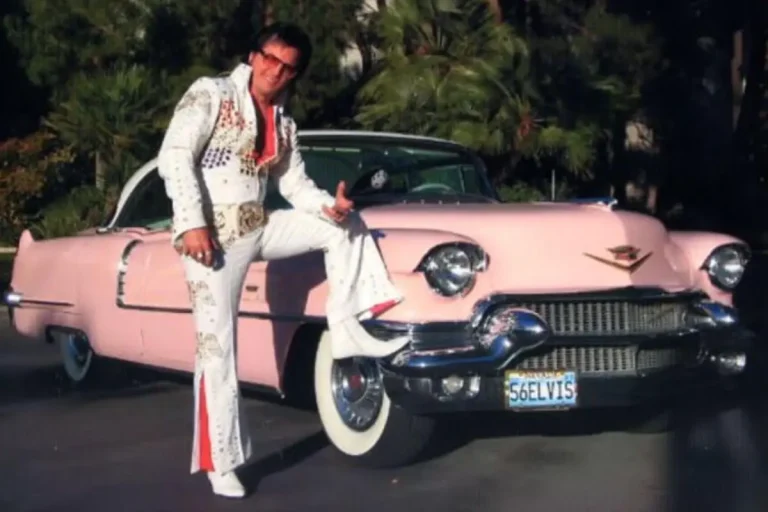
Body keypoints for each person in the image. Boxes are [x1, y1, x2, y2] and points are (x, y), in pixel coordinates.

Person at [156, 22, 410, 499]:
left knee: (345, 226)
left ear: (294, 75)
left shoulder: (283, 122)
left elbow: (294, 186)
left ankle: (349, 326)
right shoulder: (210, 93)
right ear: (254, 56)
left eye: (287, 67)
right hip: (212, 237)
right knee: (217, 350)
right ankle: (221, 463)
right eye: (270, 59)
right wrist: (191, 222)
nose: (275, 71)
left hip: (259, 225)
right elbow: (174, 156)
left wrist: (330, 206)